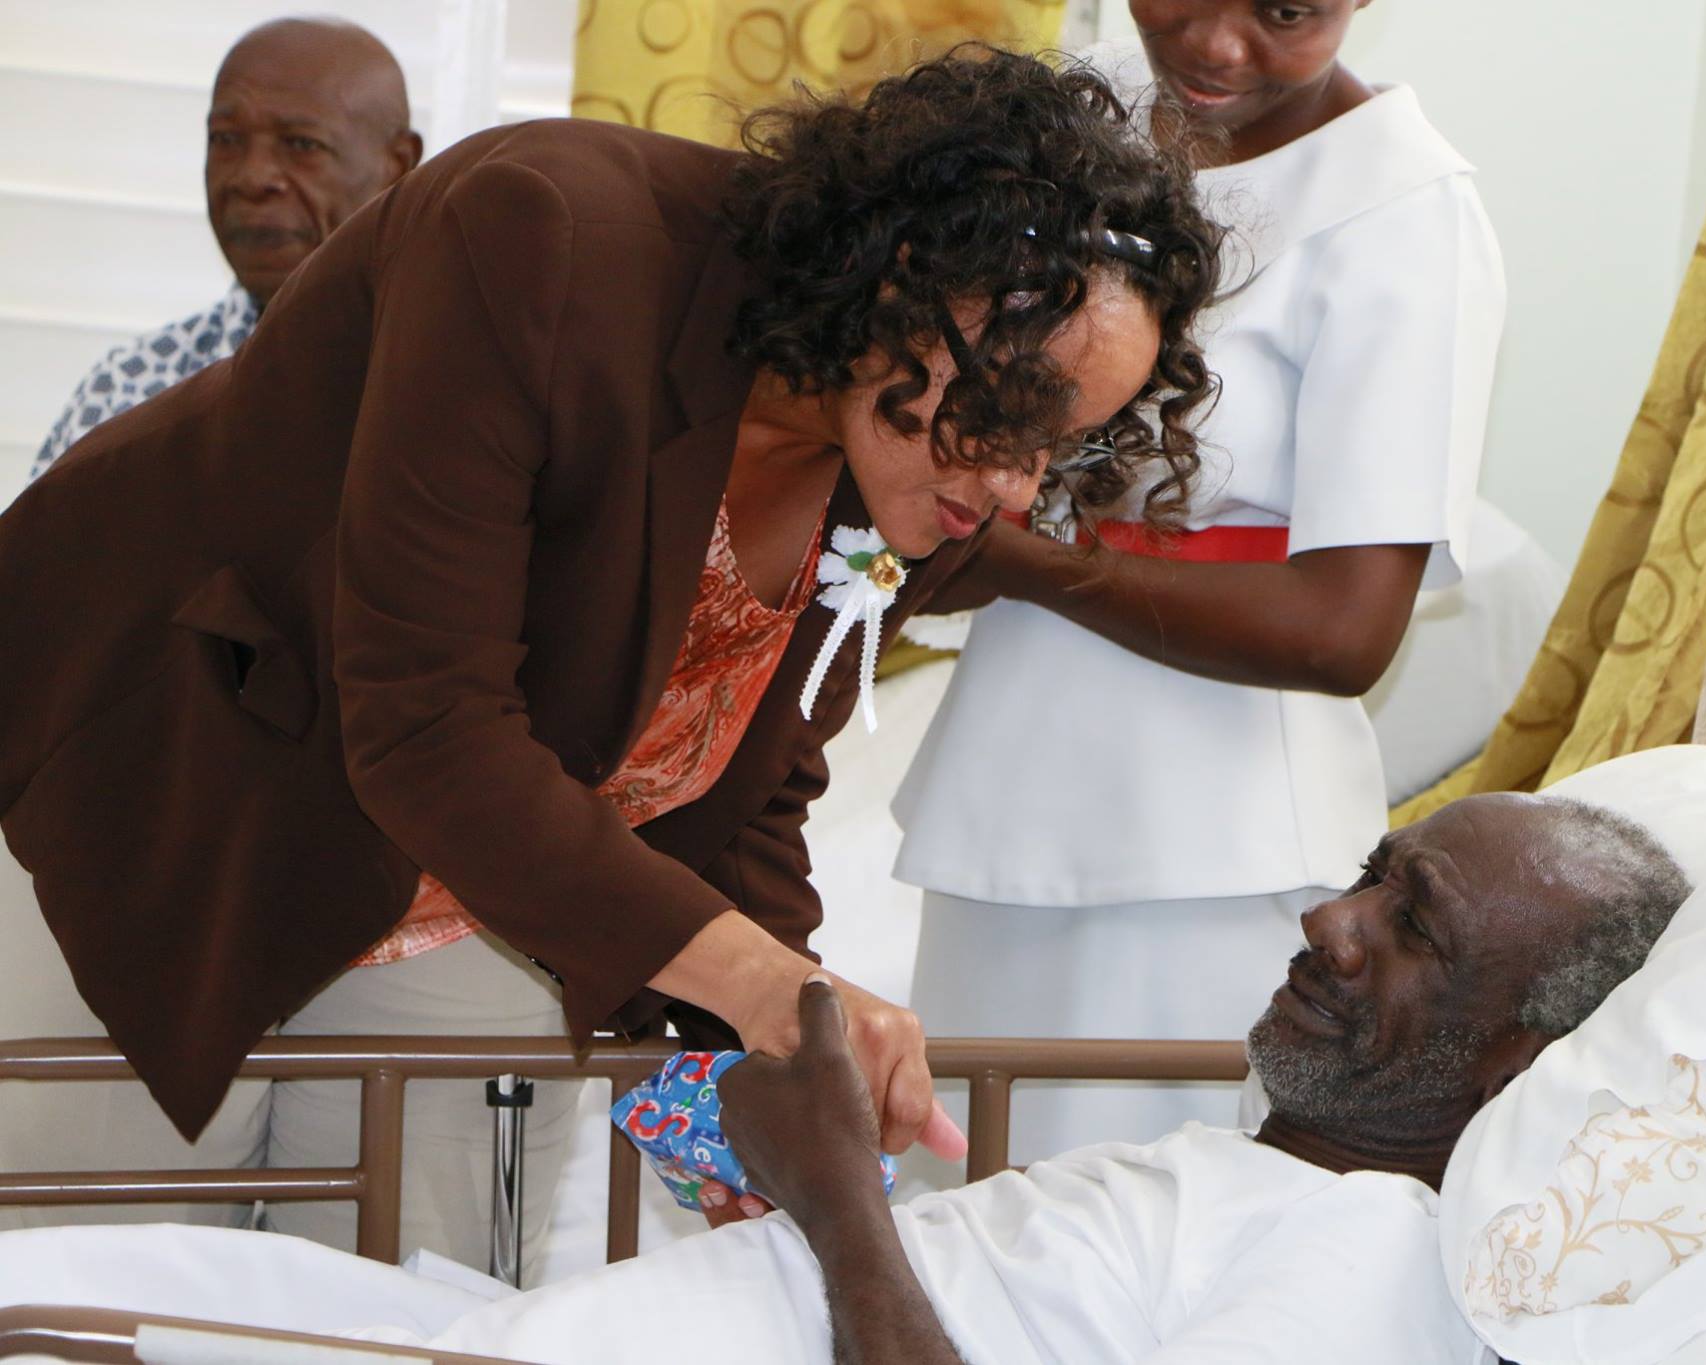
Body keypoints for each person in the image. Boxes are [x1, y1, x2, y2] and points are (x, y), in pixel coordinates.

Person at [0, 51, 1222, 1270]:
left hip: (481, 889)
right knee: (112, 1285)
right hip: (170, 783)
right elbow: (428, 727)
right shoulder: (541, 235)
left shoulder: (914, 474)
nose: (1015, 483)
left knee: (419, 1307)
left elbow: (742, 792)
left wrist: (758, 1079)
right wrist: (762, 990)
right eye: (1012, 406)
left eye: (1063, 445)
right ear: (908, 283)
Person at [408, 792, 1691, 1361]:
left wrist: (836, 1197)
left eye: (1411, 926)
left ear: (1516, 1062)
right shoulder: (1243, 1181)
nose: (1327, 920)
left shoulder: (1376, 1248)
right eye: (1367, 874)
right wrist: (809, 1205)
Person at [895, 0, 1508, 1160]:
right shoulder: (1076, 111)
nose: (1218, 46)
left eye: (1284, 10)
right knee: (968, 1182)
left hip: (1207, 837)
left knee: (1128, 1201)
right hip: (1003, 780)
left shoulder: (1402, 212)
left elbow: (1341, 633)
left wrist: (1019, 559)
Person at [26, 18, 422, 484]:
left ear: (397, 167)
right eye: (226, 139)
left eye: (301, 145)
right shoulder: (129, 391)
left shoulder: (452, 375)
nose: (250, 178)